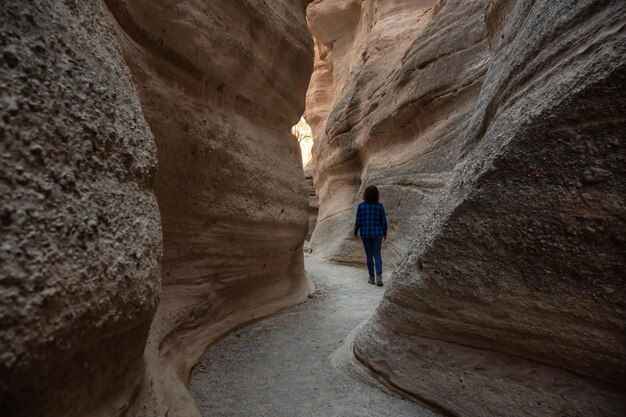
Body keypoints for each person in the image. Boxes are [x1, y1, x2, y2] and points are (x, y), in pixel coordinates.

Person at [354, 185, 387, 286]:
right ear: (376, 195)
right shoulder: (380, 206)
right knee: (377, 254)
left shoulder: (361, 206)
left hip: (365, 233)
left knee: (369, 255)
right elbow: (383, 221)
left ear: (365, 195)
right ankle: (379, 276)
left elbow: (358, 221)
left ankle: (371, 278)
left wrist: (355, 231)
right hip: (377, 233)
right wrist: (385, 233)